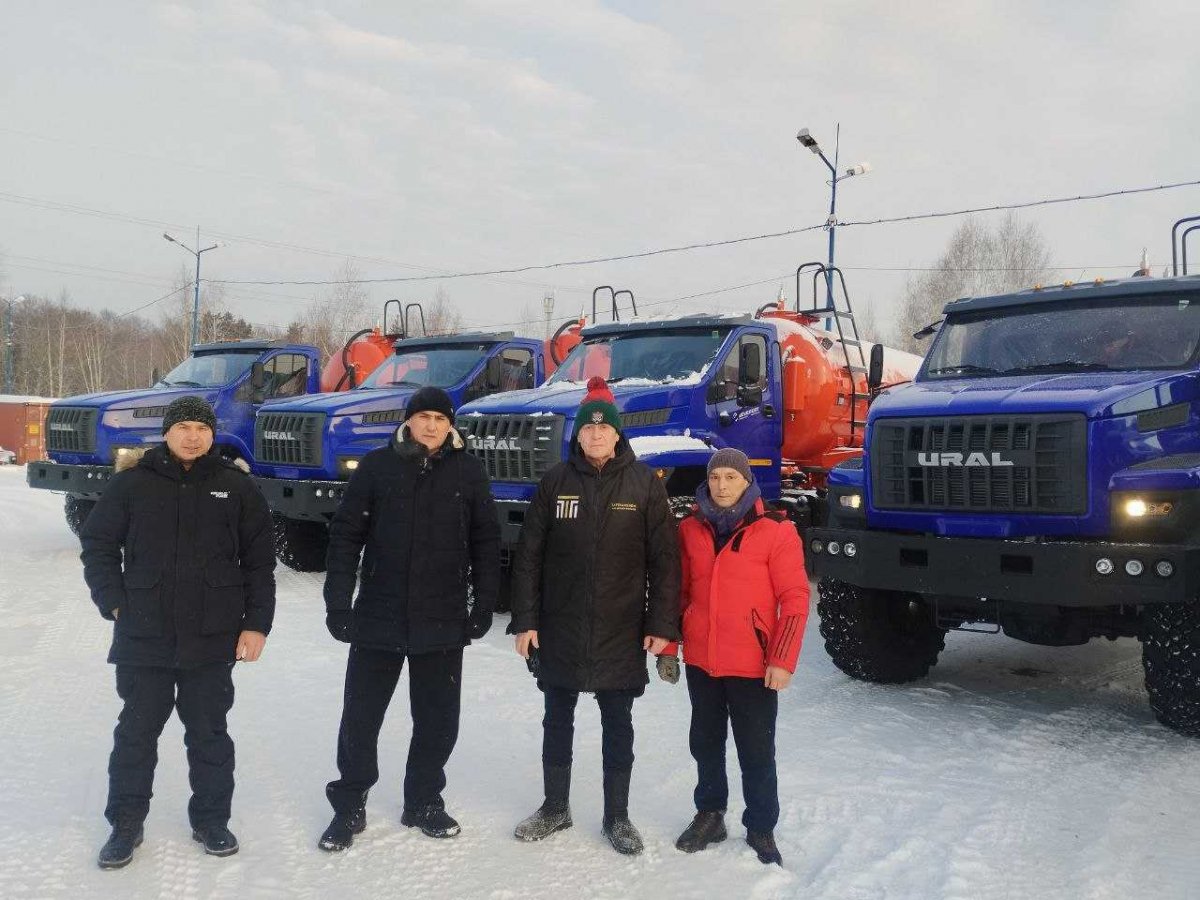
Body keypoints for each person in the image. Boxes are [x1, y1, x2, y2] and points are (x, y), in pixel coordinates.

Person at [80, 396, 276, 869]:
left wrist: (256, 624)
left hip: (213, 633)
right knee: (136, 734)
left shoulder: (236, 486)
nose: (193, 436)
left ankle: (211, 821)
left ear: (212, 435)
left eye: (202, 428)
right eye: (184, 427)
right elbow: (98, 544)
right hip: (143, 631)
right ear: (166, 432)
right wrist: (113, 600)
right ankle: (125, 824)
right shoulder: (132, 484)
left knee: (209, 734)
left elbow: (259, 562)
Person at [319, 386, 500, 851]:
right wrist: (338, 602)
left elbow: (486, 542)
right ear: (409, 421)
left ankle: (423, 800)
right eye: (424, 417)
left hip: (442, 616)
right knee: (361, 716)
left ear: (450, 425)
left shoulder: (468, 471)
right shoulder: (378, 467)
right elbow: (346, 536)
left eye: (440, 418)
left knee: (438, 719)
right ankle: (350, 802)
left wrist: (483, 604)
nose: (432, 426)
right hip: (378, 614)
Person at [509, 375, 680, 855]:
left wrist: (661, 626)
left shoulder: (645, 485)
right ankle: (555, 808)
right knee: (556, 718)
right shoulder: (554, 483)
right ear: (578, 434)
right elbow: (529, 557)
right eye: (589, 428)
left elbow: (666, 562)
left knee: (618, 723)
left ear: (617, 433)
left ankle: (617, 816)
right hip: (560, 627)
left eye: (605, 428)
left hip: (620, 629)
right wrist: (526, 620)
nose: (597, 435)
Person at [660, 447, 809, 866]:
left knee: (756, 751)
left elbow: (795, 598)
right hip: (702, 660)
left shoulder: (776, 530)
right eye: (715, 477)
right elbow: (677, 593)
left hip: (753, 664)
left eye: (731, 477)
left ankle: (761, 826)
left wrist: (781, 659)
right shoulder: (690, 529)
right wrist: (669, 647)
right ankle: (710, 815)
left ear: (747, 481)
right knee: (705, 743)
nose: (721, 486)